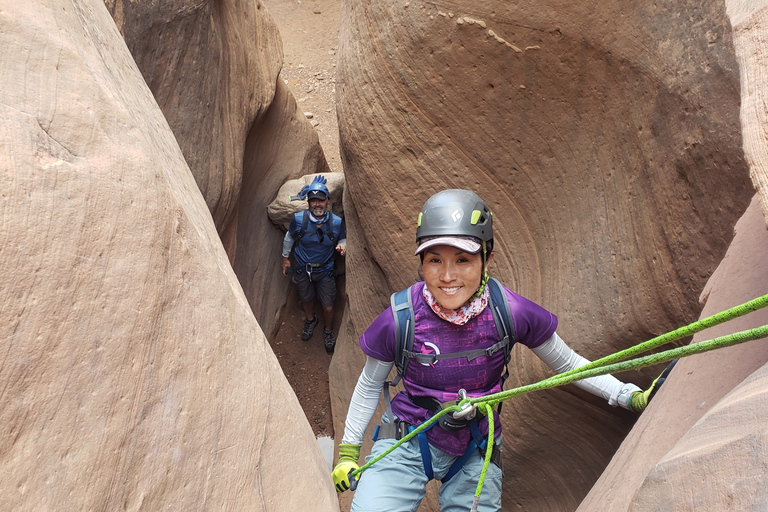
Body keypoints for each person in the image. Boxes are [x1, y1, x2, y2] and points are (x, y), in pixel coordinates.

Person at [331, 189, 667, 511]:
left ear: (486, 258)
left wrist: (628, 396)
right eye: (435, 260)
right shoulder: (401, 318)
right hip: (407, 438)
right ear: (422, 262)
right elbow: (369, 383)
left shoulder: (510, 312)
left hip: (476, 447)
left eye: (463, 259)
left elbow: (568, 364)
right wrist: (348, 452)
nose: (447, 276)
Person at [281, 176, 346, 354]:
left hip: (325, 270)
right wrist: (285, 258)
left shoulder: (336, 222)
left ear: (328, 202)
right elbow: (290, 237)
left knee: (328, 306)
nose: (317, 204)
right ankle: (311, 320)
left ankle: (328, 330)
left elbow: (343, 237)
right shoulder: (299, 220)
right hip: (303, 268)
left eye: (321, 200)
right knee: (306, 299)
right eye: (313, 201)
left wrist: (343, 244)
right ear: (308, 203)